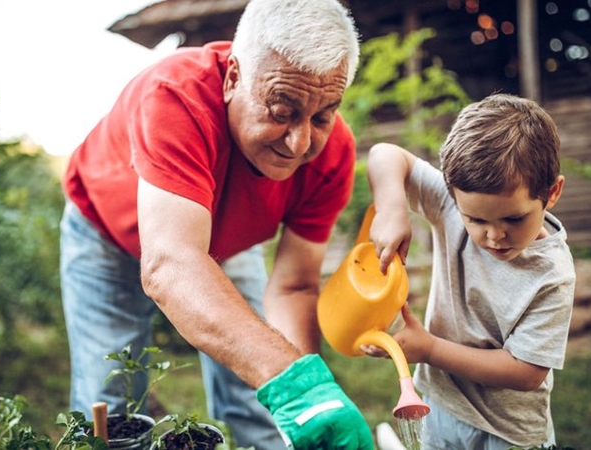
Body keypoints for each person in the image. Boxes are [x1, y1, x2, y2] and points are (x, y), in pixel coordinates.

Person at [60, 0, 373, 448]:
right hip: (105, 235)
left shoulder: (332, 154)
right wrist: (293, 383)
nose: (300, 142)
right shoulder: (175, 96)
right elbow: (172, 265)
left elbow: (294, 287)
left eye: (322, 116)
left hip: (224, 244)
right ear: (232, 78)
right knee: (110, 406)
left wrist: (312, 399)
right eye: (282, 111)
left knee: (261, 400)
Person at [364, 93, 576, 449]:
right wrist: (391, 209)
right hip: (440, 406)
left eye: (514, 218)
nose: (494, 235)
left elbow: (526, 372)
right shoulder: (450, 203)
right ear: (452, 193)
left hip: (508, 433)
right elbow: (384, 154)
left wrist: (429, 349)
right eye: (476, 219)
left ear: (551, 192)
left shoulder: (552, 274)